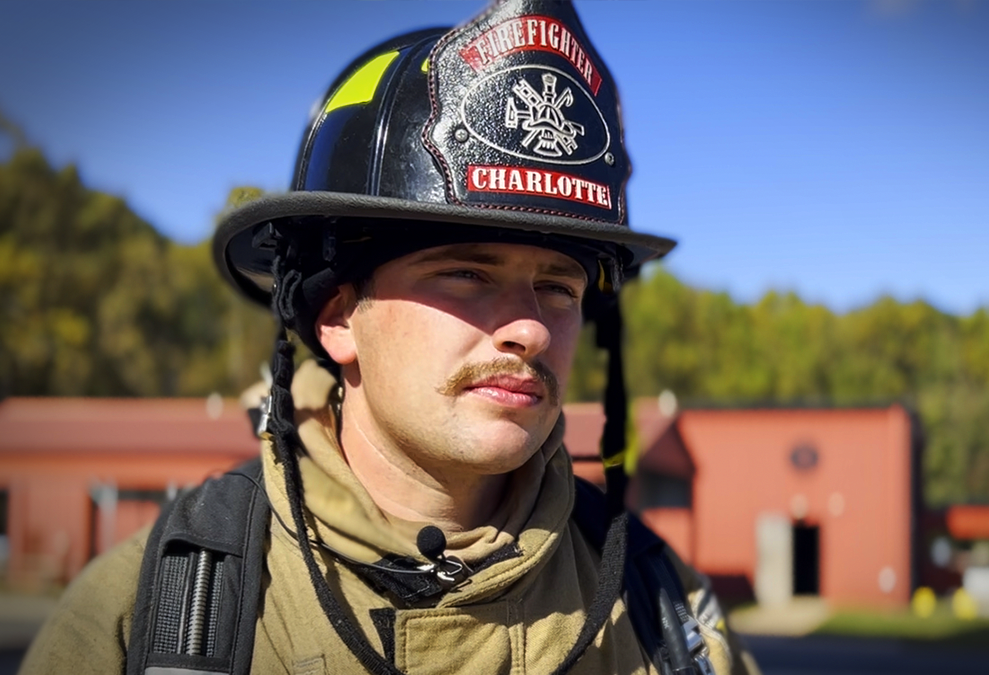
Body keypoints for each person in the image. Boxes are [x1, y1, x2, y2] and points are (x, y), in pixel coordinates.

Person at [20, 1, 760, 673]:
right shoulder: (148, 617)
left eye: (559, 287)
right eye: (467, 273)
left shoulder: (662, 607)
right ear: (339, 316)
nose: (531, 327)